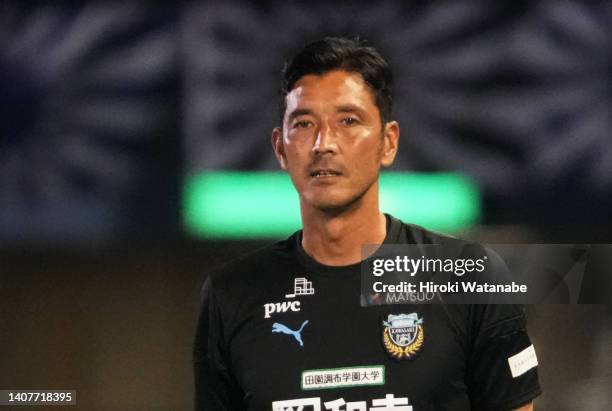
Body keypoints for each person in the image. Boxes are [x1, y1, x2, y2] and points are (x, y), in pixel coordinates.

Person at [194, 37, 541, 411]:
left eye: (348, 120)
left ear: (388, 142)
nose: (323, 143)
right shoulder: (229, 296)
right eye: (305, 123)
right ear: (280, 148)